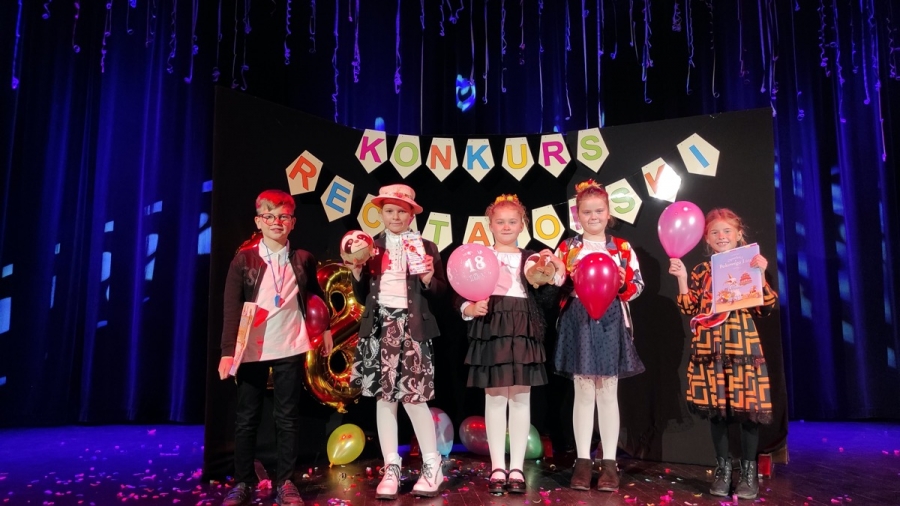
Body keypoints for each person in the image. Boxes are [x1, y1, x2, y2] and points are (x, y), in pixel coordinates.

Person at [218, 189, 334, 506]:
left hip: (289, 346)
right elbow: (231, 308)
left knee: (287, 417)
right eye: (269, 216)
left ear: (293, 222)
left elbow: (315, 294)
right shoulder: (244, 260)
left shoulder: (303, 258)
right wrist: (228, 351)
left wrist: (325, 329)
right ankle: (242, 482)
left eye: (283, 216)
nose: (276, 222)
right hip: (252, 350)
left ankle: (285, 481)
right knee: (247, 418)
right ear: (258, 221)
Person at [456, 194, 565, 494]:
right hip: (492, 325)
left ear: (522, 225)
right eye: (500, 221)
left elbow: (545, 298)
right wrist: (469, 307)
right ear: (490, 225)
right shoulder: (480, 256)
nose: (506, 226)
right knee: (494, 398)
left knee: (520, 398)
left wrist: (555, 272)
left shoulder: (530, 258)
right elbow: (461, 289)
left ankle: (516, 467)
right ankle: (497, 468)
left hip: (523, 326)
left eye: (512, 221)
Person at [667, 208, 777, 500]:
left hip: (742, 344)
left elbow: (766, 307)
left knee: (748, 410)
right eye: (714, 232)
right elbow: (689, 308)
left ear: (739, 234)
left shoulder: (750, 263)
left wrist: (760, 274)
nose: (721, 236)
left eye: (727, 231)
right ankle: (723, 469)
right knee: (717, 411)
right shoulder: (702, 271)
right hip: (710, 346)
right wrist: (681, 277)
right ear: (706, 238)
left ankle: (749, 472)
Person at [347, 184, 448, 499]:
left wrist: (429, 279)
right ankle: (391, 466)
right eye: (389, 211)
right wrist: (357, 272)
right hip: (379, 328)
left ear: (411, 214)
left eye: (401, 211)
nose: (395, 216)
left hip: (412, 327)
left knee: (414, 398)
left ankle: (432, 464)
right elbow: (363, 297)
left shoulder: (426, 246)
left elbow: (441, 293)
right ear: (381, 213)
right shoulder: (370, 247)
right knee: (384, 399)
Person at [553, 179, 645, 492]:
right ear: (577, 215)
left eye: (599, 210)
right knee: (582, 392)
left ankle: (608, 464)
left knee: (607, 392)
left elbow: (637, 286)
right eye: (587, 212)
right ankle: (582, 461)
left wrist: (622, 283)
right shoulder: (568, 247)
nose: (593, 216)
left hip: (610, 319)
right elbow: (555, 281)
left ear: (608, 213)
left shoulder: (621, 248)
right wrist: (553, 271)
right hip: (578, 318)